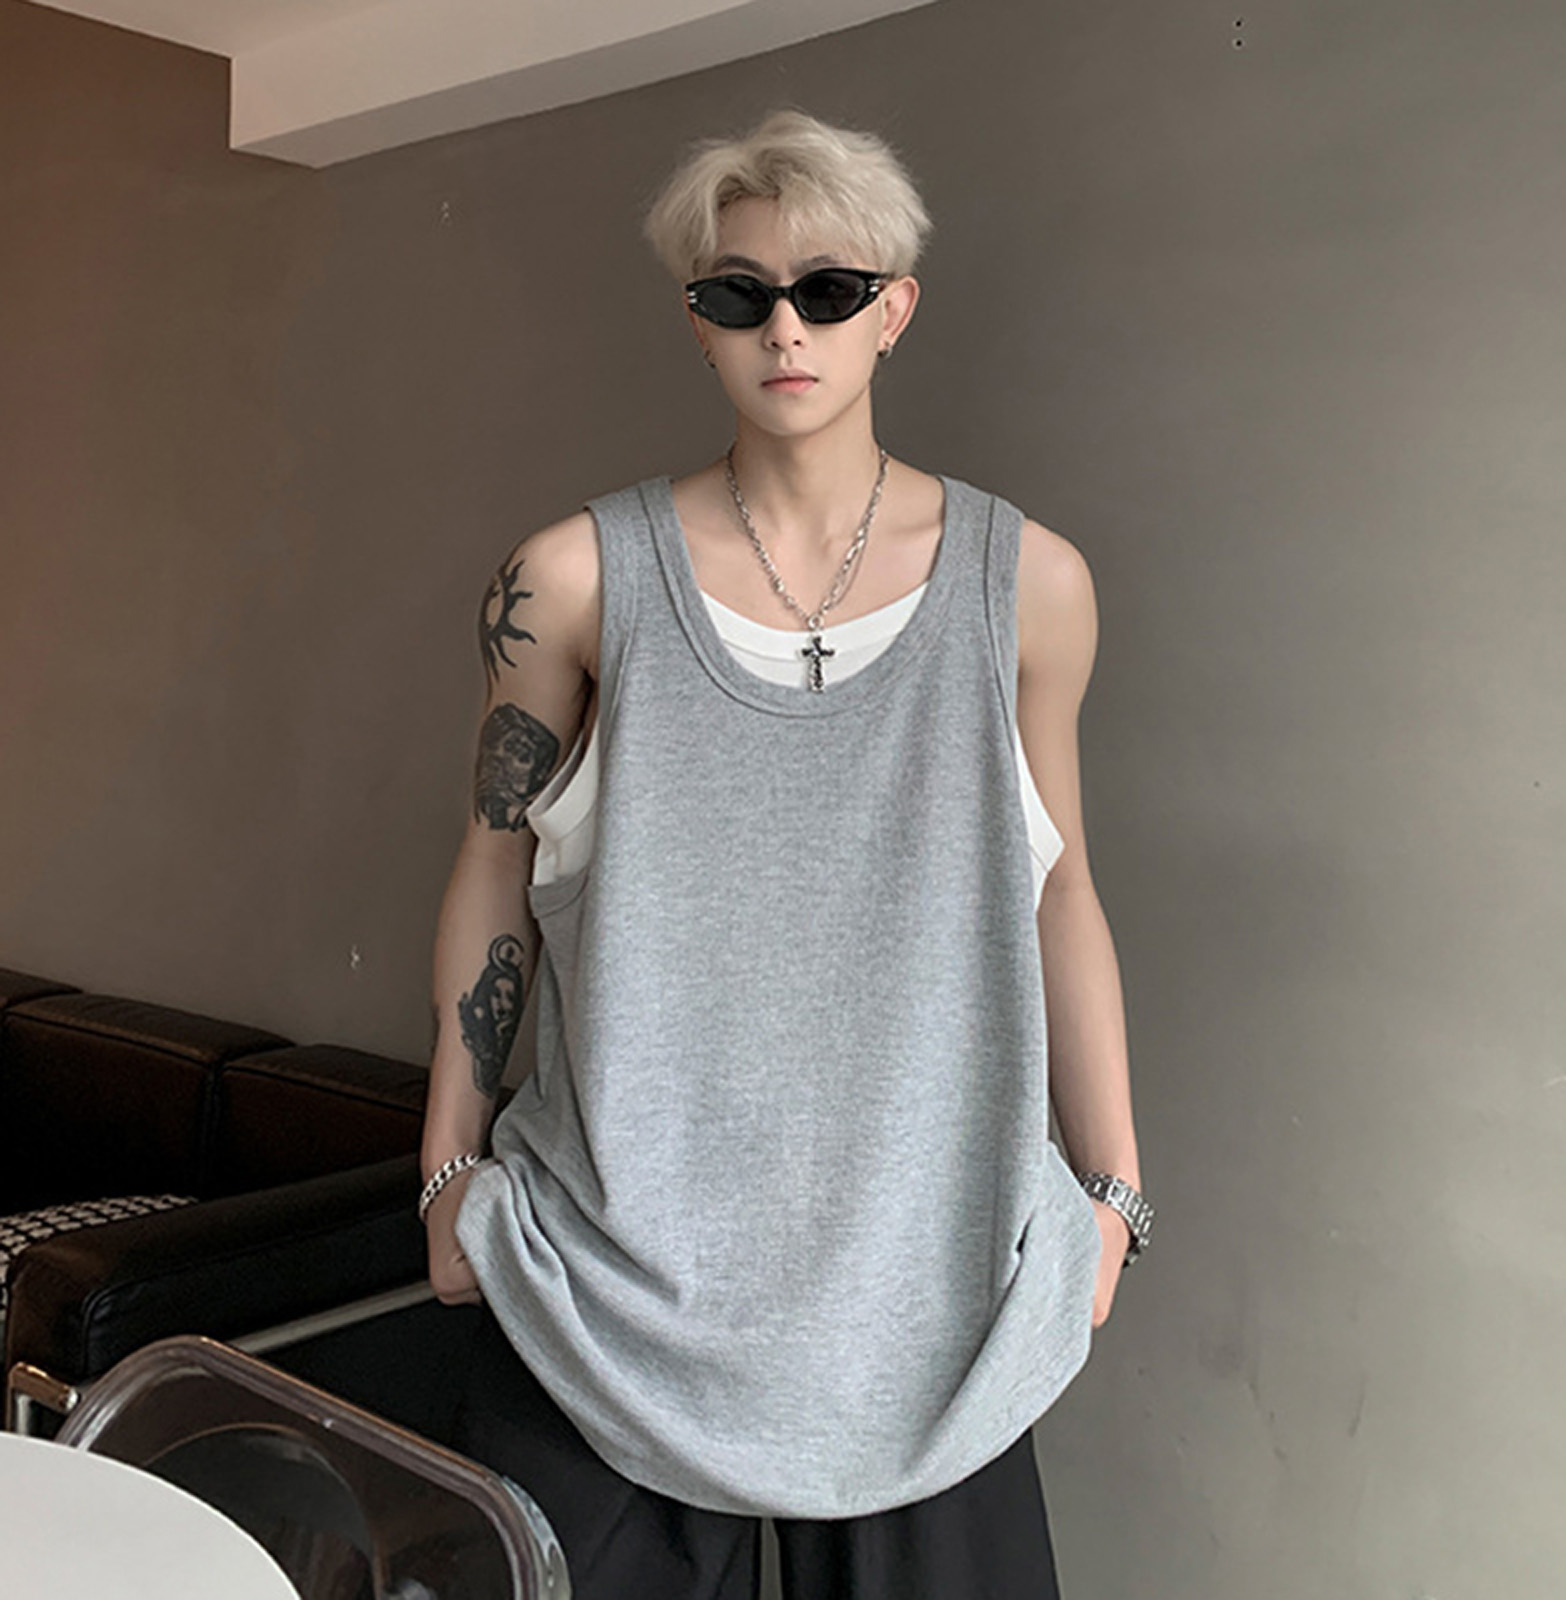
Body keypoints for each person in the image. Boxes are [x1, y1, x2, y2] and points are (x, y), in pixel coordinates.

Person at [417, 109, 1152, 1600]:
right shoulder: (569, 583)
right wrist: (444, 1175)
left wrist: (1115, 1200)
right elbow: (495, 865)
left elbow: (1059, 882)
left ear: (895, 310)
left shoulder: (1030, 587)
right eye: (739, 293)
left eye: (827, 289)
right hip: (606, 1289)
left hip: (935, 1298)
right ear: (697, 322)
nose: (786, 328)